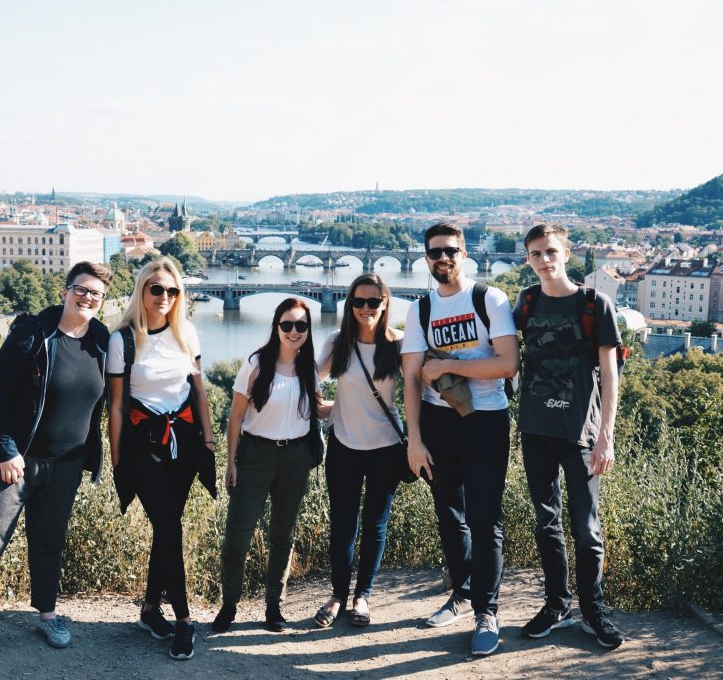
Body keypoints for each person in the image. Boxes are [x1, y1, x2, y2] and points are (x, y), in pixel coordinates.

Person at [0, 261, 113, 658]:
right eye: (81, 289)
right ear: (65, 290)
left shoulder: (102, 339)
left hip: (67, 463)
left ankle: (47, 613)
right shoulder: (34, 334)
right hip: (13, 463)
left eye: (95, 293)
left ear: (102, 301)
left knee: (49, 542)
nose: (87, 298)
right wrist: (6, 450)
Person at [400, 222, 518, 657]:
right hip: (437, 422)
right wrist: (414, 438)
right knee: (450, 513)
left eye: (450, 250)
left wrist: (449, 367)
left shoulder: (489, 299)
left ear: (464, 254)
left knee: (486, 517)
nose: (442, 258)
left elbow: (507, 365)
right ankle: (463, 593)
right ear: (426, 258)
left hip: (487, 420)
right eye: (434, 252)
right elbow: (412, 378)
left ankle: (488, 610)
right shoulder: (420, 310)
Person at [515, 223, 625, 649]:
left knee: (586, 527)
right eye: (536, 253)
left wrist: (606, 437)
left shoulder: (594, 304)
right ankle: (557, 604)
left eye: (551, 251)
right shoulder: (525, 303)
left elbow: (610, 374)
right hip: (535, 429)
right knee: (547, 523)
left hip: (582, 432)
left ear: (566, 253)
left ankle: (593, 610)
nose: (545, 259)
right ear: (528, 258)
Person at [107, 257, 217, 661]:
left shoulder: (186, 333)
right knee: (170, 527)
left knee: (166, 528)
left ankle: (150, 609)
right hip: (143, 443)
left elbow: (199, 391)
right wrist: (118, 459)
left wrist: (207, 441)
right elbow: (116, 407)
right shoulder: (122, 341)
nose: (165, 297)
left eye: (172, 291)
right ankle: (185, 620)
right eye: (157, 289)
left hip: (183, 441)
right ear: (142, 290)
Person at [212, 298, 325, 634]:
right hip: (255, 456)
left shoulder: (310, 369)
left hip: (295, 458)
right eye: (287, 324)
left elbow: (318, 410)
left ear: (308, 330)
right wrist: (230, 462)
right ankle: (229, 604)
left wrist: (357, 401)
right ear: (276, 326)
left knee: (282, 536)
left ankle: (274, 607)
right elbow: (235, 417)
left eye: (301, 326)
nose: (293, 331)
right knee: (238, 535)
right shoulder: (256, 364)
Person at [312, 273, 405, 628]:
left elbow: (416, 394)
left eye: (373, 302)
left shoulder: (399, 344)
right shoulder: (338, 343)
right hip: (344, 446)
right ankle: (338, 595)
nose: (365, 308)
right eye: (358, 302)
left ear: (384, 304)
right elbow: (310, 378)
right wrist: (326, 406)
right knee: (343, 526)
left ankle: (362, 596)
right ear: (349, 305)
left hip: (387, 448)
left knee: (375, 525)